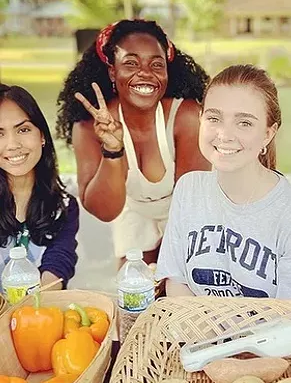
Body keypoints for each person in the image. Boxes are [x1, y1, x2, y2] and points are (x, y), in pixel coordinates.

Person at [155, 64, 291, 302]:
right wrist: (205, 337)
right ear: (201, 119)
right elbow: (176, 282)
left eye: (245, 123)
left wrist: (228, 339)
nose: (225, 134)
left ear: (268, 134)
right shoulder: (189, 190)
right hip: (196, 336)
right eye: (214, 118)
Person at [56, 19, 210, 267]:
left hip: (187, 216)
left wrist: (167, 267)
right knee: (133, 292)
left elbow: (192, 206)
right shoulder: (88, 127)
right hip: (134, 213)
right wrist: (112, 150)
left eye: (156, 64)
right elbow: (105, 211)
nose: (146, 73)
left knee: (178, 289)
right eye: (131, 62)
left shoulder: (186, 117)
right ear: (112, 71)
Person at [0, 84, 79, 291]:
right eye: (0, 134)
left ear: (42, 135)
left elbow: (59, 261)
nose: (12, 144)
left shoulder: (63, 206)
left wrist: (37, 309)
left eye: (23, 129)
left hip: (38, 316)